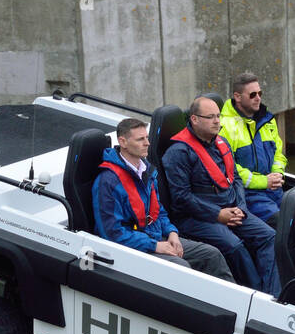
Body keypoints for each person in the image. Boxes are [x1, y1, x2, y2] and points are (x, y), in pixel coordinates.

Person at [91, 118, 233, 281]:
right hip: (133, 248)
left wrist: (172, 233)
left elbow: (158, 211)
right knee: (181, 268)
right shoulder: (108, 182)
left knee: (211, 255)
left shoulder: (147, 170)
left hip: (156, 237)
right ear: (123, 142)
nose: (147, 143)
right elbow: (112, 233)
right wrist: (155, 246)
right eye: (140, 139)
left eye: (147, 138)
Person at [163, 97, 280, 295]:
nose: (217, 121)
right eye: (210, 117)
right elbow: (181, 198)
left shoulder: (221, 143)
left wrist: (241, 207)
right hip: (196, 217)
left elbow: (235, 180)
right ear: (194, 119)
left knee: (268, 236)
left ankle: (273, 293)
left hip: (233, 209)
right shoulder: (178, 153)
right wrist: (218, 214)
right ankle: (254, 294)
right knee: (234, 246)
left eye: (218, 116)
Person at [219, 72, 286, 225]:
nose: (258, 98)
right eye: (252, 94)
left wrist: (277, 173)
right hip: (248, 194)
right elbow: (228, 168)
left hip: (273, 188)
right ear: (237, 97)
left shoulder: (267, 120)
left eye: (260, 93)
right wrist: (263, 181)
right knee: (280, 222)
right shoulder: (225, 127)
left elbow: (278, 153)